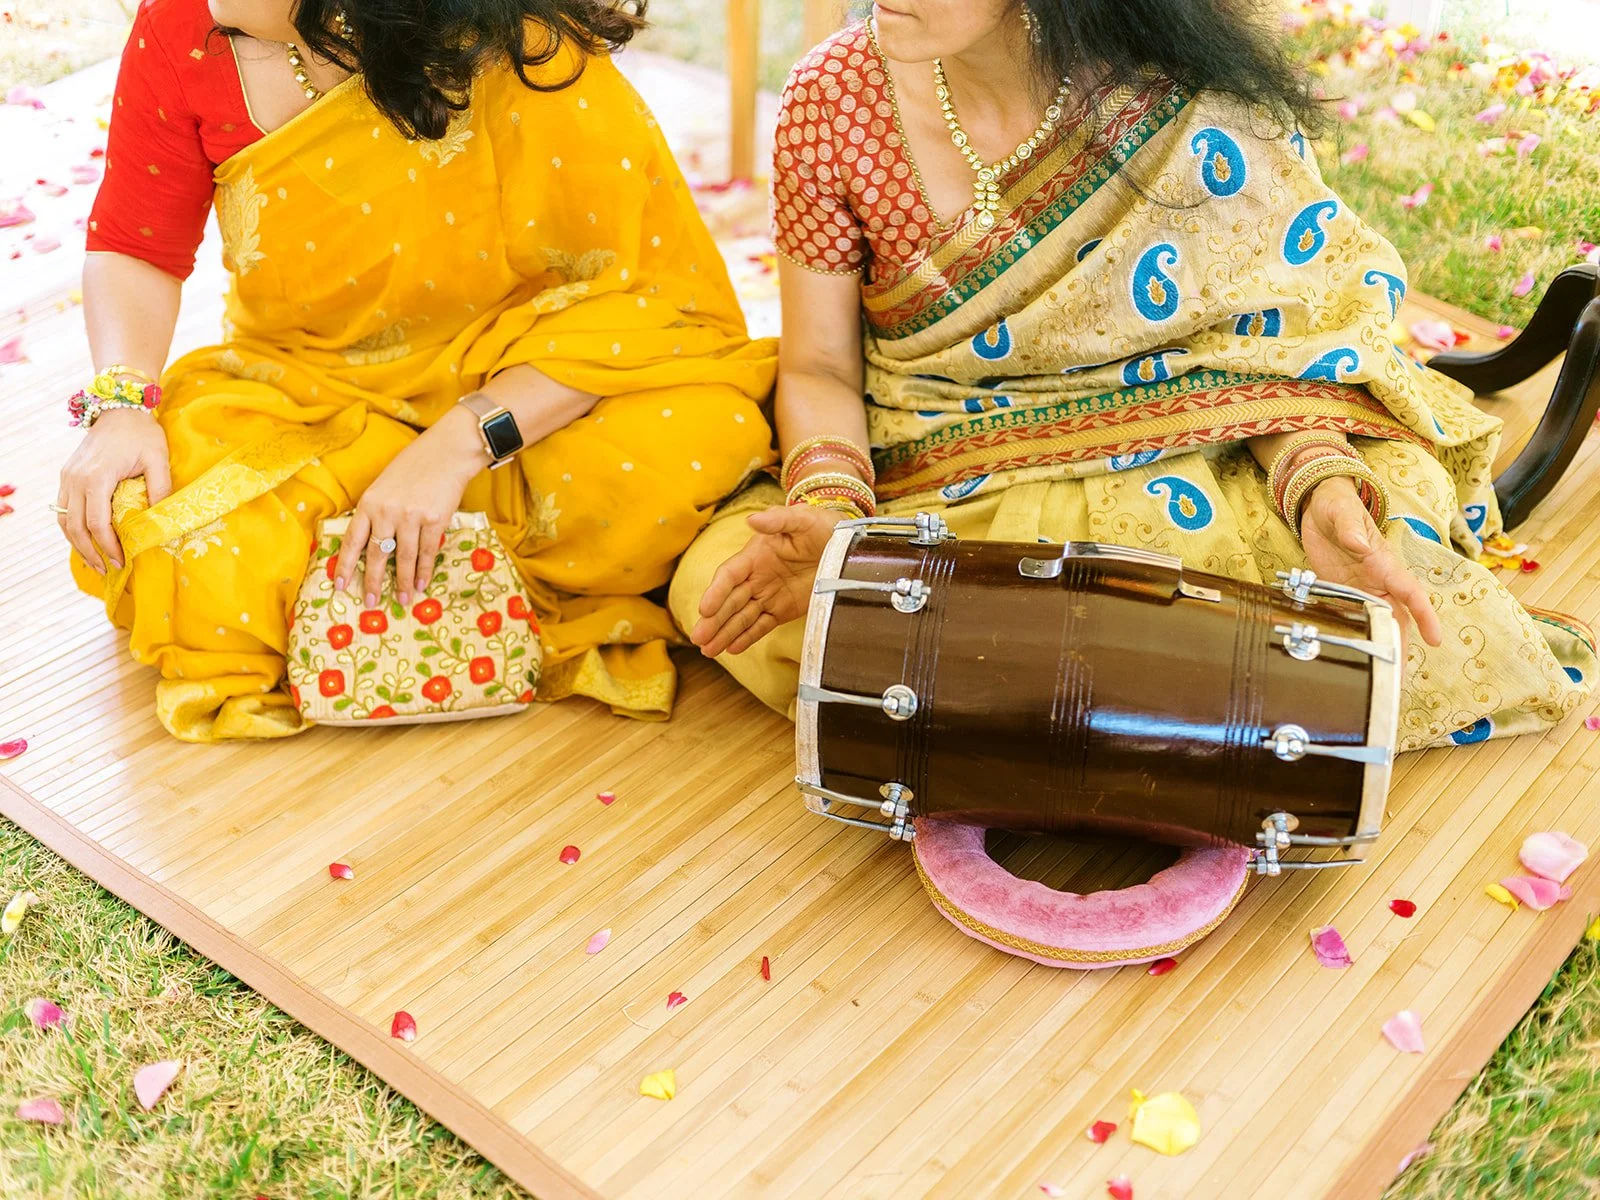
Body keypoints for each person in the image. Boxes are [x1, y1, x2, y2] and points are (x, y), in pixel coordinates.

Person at [670, 0, 1593, 753]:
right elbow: (821, 364)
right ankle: (1141, 723)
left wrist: (1313, 483)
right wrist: (836, 518)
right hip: (944, 460)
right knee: (716, 583)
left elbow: (1271, 339)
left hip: (1187, 459)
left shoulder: (1174, 94)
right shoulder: (831, 102)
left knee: (1339, 567)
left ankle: (1028, 715)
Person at [57, 0, 776, 741]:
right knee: (159, 519)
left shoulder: (520, 43)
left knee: (695, 440)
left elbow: (637, 301)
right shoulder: (179, 28)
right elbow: (135, 241)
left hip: (532, 394)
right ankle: (453, 575)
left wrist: (458, 444)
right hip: (309, 389)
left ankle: (377, 586)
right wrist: (120, 400)